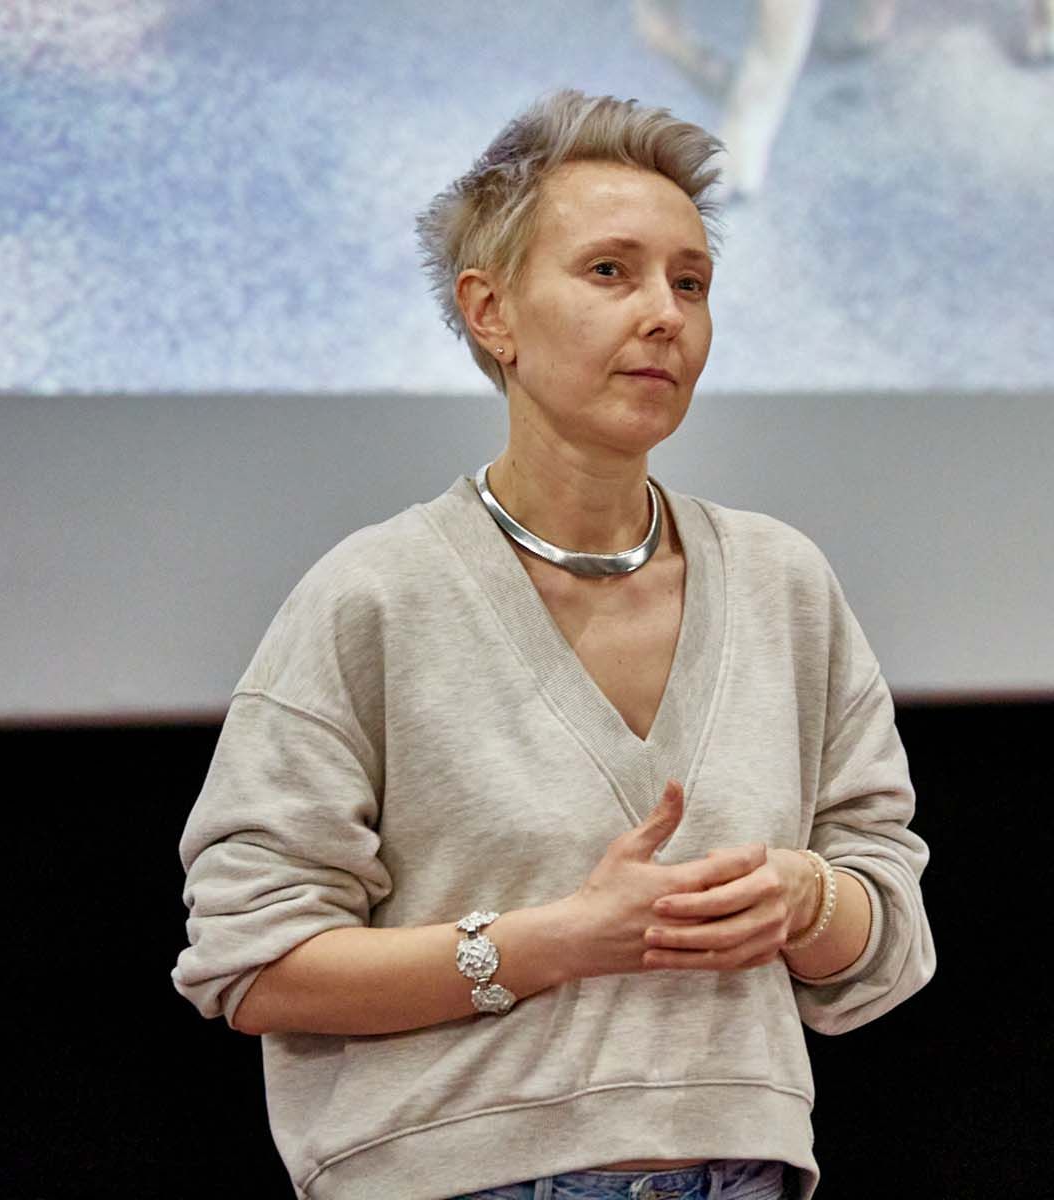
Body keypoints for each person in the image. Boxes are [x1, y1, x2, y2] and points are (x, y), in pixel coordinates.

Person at [172, 89, 936, 1200]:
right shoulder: (374, 596)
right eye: (611, 272)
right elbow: (253, 965)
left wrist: (806, 898)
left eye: (691, 283)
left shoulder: (784, 583)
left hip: (745, 1176)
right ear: (492, 312)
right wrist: (556, 940)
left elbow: (889, 942)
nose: (665, 314)